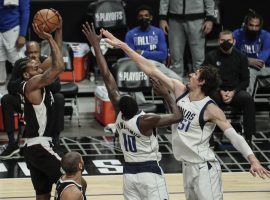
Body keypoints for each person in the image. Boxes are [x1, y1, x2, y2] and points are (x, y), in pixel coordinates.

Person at [102, 29, 270, 200]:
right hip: (187, 167)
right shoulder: (180, 89)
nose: (190, 74)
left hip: (204, 168)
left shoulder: (211, 108)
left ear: (202, 82)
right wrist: (122, 45)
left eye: (195, 74)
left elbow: (234, 136)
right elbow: (150, 68)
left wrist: (253, 160)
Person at [82, 22, 182, 200]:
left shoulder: (120, 116)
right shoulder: (146, 120)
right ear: (138, 107)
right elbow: (177, 116)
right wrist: (166, 95)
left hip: (129, 174)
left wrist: (96, 46)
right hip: (149, 173)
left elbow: (107, 77)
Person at [0, 12, 64, 159]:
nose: (33, 55)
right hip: (26, 99)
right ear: (26, 53)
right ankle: (12, 143)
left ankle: (56, 140)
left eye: (36, 52)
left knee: (59, 97)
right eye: (30, 53)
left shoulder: (44, 64)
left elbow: (57, 60)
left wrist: (58, 31)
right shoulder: (21, 65)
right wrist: (28, 82)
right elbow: (11, 87)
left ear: (40, 52)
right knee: (6, 99)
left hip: (44, 100)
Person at [18, 21, 64, 199]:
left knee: (43, 195)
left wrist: (58, 31)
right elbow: (59, 66)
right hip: (40, 145)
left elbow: (56, 56)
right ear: (26, 74)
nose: (37, 64)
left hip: (35, 147)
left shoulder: (36, 79)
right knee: (73, 180)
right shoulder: (32, 84)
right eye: (33, 65)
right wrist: (49, 38)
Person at [204, 30, 256, 147]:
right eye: (223, 40)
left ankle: (248, 138)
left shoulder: (241, 57)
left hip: (235, 91)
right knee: (209, 100)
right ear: (218, 41)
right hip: (217, 91)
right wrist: (220, 91)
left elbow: (245, 80)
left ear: (234, 41)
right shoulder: (211, 56)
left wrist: (233, 92)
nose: (226, 43)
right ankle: (209, 138)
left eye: (229, 40)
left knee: (248, 100)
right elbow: (207, 78)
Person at [159, 0, 215, 78]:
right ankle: (176, 86)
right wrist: (162, 17)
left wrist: (210, 18)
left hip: (197, 20)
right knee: (175, 58)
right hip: (175, 20)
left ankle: (199, 86)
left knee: (199, 59)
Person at [233, 9, 270, 95]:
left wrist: (244, 61)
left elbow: (259, 62)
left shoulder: (266, 36)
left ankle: (247, 103)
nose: (254, 28)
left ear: (260, 26)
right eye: (251, 25)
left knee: (250, 71)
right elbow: (232, 55)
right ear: (245, 24)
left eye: (257, 26)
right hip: (243, 68)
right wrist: (247, 61)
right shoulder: (237, 34)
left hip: (265, 69)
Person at [0, 0, 30, 85]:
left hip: (13, 29)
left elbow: (25, 11)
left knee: (19, 62)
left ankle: (24, 87)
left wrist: (22, 35)